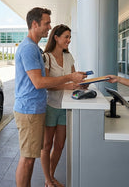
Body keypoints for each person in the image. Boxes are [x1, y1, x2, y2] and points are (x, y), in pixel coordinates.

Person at [14, 7, 86, 187]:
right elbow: (39, 82)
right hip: (29, 110)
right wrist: (69, 77)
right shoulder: (29, 49)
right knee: (28, 159)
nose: (49, 27)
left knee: (30, 158)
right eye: (46, 23)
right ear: (34, 24)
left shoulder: (34, 48)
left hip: (35, 109)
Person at [40, 24, 86, 187]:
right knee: (47, 144)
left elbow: (73, 78)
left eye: (69, 37)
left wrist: (82, 83)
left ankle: (51, 176)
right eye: (66, 36)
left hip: (66, 107)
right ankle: (47, 179)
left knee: (59, 145)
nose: (69, 40)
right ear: (56, 38)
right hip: (51, 106)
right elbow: (45, 84)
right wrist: (65, 85)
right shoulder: (46, 57)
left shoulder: (69, 57)